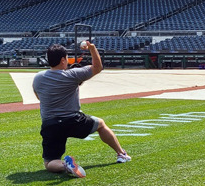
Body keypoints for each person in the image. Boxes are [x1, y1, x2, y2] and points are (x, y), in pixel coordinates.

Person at [32, 42, 131, 178]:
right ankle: (122, 154)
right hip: (73, 121)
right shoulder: (73, 75)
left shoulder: (38, 77)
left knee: (49, 163)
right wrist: (92, 48)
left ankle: (65, 165)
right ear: (63, 60)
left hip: (50, 124)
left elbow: (39, 97)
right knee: (101, 124)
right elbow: (97, 67)